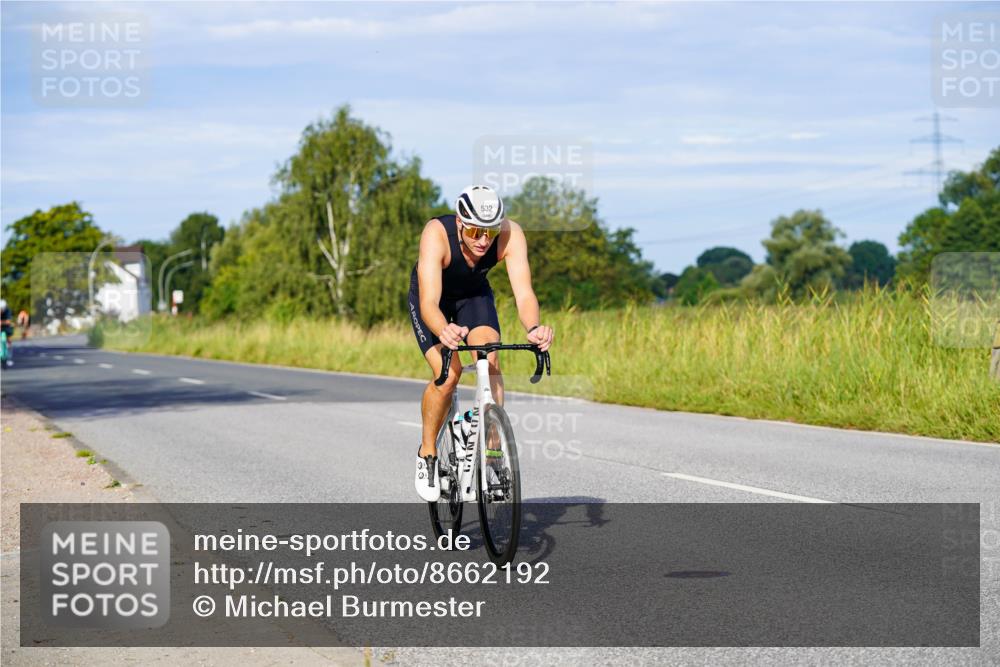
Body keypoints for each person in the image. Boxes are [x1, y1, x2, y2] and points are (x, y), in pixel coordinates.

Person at [409, 185, 554, 501]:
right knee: (448, 376)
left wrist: (533, 327)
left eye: (489, 231)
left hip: (474, 298)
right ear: (460, 223)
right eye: (475, 231)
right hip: (433, 302)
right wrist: (443, 329)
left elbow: (524, 293)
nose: (483, 240)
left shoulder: (510, 234)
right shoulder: (436, 233)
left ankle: (491, 455)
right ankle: (428, 453)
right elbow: (429, 302)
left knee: (491, 358)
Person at [0, 299, 13, 366]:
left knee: (9, 341)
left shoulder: (8, 311)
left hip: (6, 328)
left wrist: (1, 322)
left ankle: (9, 358)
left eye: (2, 309)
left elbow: (8, 321)